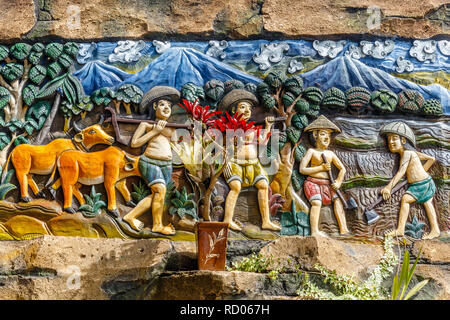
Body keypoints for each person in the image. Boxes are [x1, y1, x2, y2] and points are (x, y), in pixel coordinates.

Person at [219, 89, 281, 231]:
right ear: (234, 109)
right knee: (235, 187)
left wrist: (268, 126)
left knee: (264, 185)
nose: (247, 111)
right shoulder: (229, 128)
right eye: (242, 107)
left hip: (254, 165)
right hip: (236, 164)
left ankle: (265, 221)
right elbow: (223, 146)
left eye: (249, 108)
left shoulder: (253, 128)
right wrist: (226, 162)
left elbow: (263, 141)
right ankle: (227, 219)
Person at [122, 86, 180, 235]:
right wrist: (154, 132)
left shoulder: (172, 128)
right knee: (160, 190)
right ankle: (157, 225)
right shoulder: (147, 125)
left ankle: (130, 216)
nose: (166, 108)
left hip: (166, 165)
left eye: (169, 105)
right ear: (154, 107)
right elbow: (135, 143)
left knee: (157, 194)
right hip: (150, 162)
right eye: (162, 104)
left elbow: (176, 148)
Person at [379, 121, 440, 240]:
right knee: (427, 204)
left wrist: (388, 187)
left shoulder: (407, 153)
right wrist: (420, 172)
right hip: (424, 182)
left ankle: (400, 230)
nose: (390, 142)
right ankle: (435, 230)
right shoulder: (412, 153)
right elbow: (431, 159)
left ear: (403, 140)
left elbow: (401, 172)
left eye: (394, 138)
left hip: (421, 184)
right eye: (388, 139)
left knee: (406, 200)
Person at [299, 115, 350, 236]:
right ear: (315, 135)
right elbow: (302, 169)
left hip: (328, 185)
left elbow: (342, 169)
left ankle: (343, 228)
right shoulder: (312, 152)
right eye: (323, 134)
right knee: (316, 203)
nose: (326, 137)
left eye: (328, 134)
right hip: (313, 183)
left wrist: (338, 181)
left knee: (338, 200)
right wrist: (320, 168)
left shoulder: (330, 154)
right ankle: (314, 231)